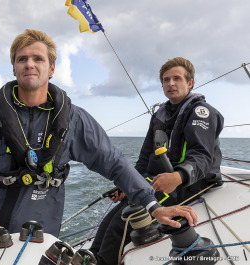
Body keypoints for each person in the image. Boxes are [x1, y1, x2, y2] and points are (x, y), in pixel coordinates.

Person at [0, 30, 198, 254]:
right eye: (22, 59)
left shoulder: (74, 120)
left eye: (38, 59)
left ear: (52, 68)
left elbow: (114, 162)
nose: (29, 65)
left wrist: (153, 206)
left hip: (41, 239)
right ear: (13, 68)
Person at [90, 57, 224, 265]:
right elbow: (145, 157)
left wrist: (178, 176)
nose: (171, 83)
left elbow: (202, 156)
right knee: (111, 218)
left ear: (190, 83)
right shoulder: (159, 115)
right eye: (166, 79)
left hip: (188, 184)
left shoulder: (201, 113)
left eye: (177, 78)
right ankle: (91, 257)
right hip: (159, 182)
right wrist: (127, 184)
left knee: (124, 220)